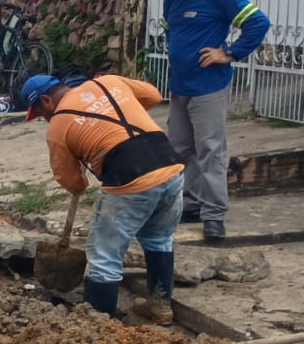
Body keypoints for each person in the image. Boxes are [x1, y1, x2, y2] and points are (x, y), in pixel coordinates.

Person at [23, 73, 186, 325]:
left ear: (47, 100)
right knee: (159, 239)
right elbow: (153, 96)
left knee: (104, 258)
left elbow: (69, 180)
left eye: (41, 114)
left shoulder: (59, 126)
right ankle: (160, 305)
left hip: (130, 178)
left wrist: (83, 176)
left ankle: (99, 332)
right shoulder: (108, 81)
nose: (44, 120)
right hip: (170, 167)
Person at [150, 0, 271, 241]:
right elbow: (172, 31)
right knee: (179, 148)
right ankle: (191, 204)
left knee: (210, 149)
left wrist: (229, 53)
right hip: (180, 87)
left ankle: (214, 214)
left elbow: (258, 22)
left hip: (209, 87)